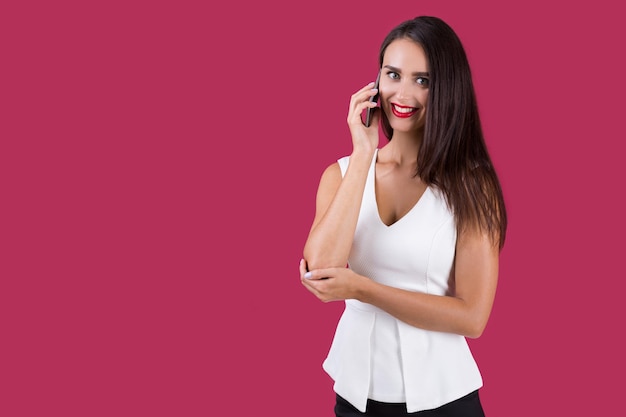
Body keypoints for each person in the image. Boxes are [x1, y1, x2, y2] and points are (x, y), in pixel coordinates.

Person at [299, 16, 507, 417]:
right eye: (393, 74)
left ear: (448, 89)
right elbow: (320, 270)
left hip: (444, 400)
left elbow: (473, 316)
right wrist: (363, 154)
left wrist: (362, 289)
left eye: (422, 80)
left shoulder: (471, 187)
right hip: (356, 395)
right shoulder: (341, 174)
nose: (403, 93)